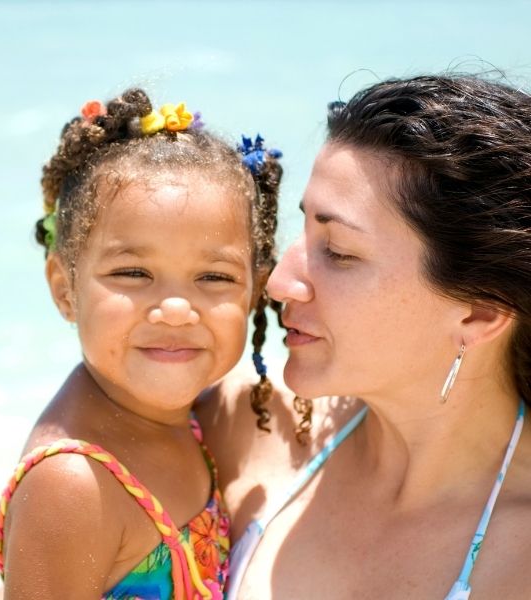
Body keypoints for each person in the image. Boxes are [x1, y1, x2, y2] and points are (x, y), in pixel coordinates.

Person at [197, 74, 531, 599]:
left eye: (341, 253)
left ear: (481, 312)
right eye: (303, 230)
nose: (280, 283)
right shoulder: (252, 430)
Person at [0, 87, 284, 600]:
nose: (175, 308)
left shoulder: (190, 414)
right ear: (65, 288)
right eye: (132, 272)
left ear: (255, 292)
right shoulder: (71, 484)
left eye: (214, 278)